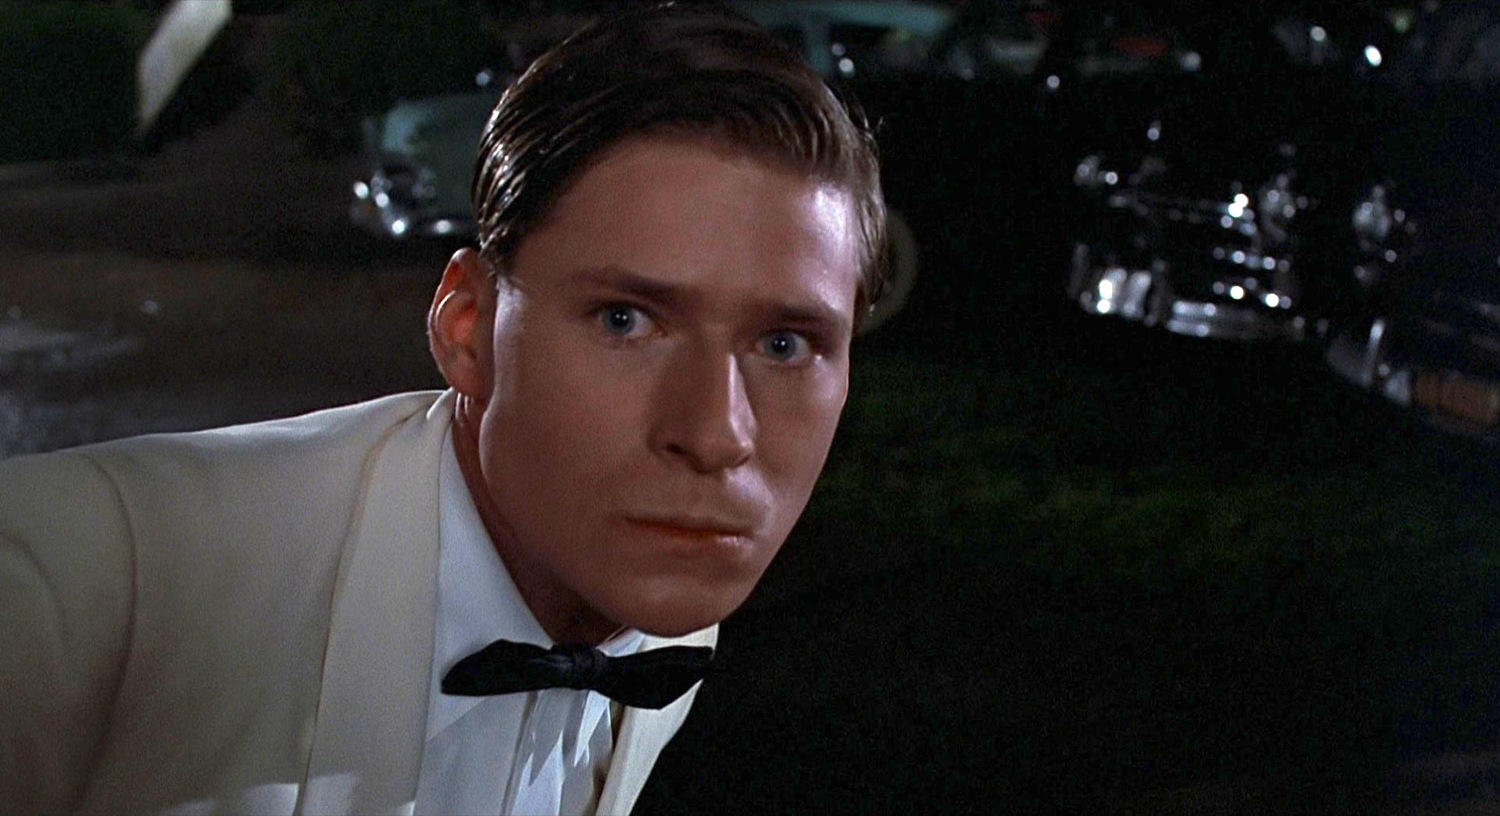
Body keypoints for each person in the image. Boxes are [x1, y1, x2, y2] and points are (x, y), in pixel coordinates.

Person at [0, 3, 886, 815]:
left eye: (784, 344)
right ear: (468, 328)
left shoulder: (668, 599)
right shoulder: (78, 580)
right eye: (625, 320)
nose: (715, 434)